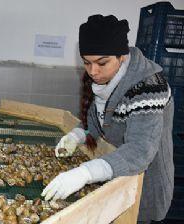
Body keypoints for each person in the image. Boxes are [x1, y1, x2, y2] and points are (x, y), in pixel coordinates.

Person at [41, 14, 174, 224]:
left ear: (122, 56)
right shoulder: (106, 78)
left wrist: (85, 173)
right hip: (114, 175)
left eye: (102, 63)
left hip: (142, 186)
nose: (93, 71)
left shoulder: (148, 87)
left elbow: (140, 151)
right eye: (87, 63)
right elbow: (96, 122)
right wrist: (77, 135)